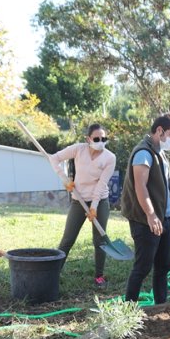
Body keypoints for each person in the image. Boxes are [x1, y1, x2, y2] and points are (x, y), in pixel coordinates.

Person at [120, 112, 170, 304]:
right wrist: (150, 214)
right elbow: (140, 186)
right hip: (145, 220)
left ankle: (160, 308)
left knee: (163, 266)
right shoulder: (143, 153)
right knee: (143, 266)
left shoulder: (160, 154)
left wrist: (164, 216)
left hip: (162, 219)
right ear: (159, 130)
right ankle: (129, 310)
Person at [51, 123, 117, 287]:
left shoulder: (110, 158)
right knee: (68, 239)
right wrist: (65, 180)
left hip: (100, 201)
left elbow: (101, 184)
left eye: (104, 139)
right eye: (96, 138)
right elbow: (54, 158)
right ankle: (52, 274)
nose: (100, 141)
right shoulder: (78, 149)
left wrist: (94, 206)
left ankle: (99, 276)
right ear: (88, 139)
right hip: (78, 200)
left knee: (100, 241)